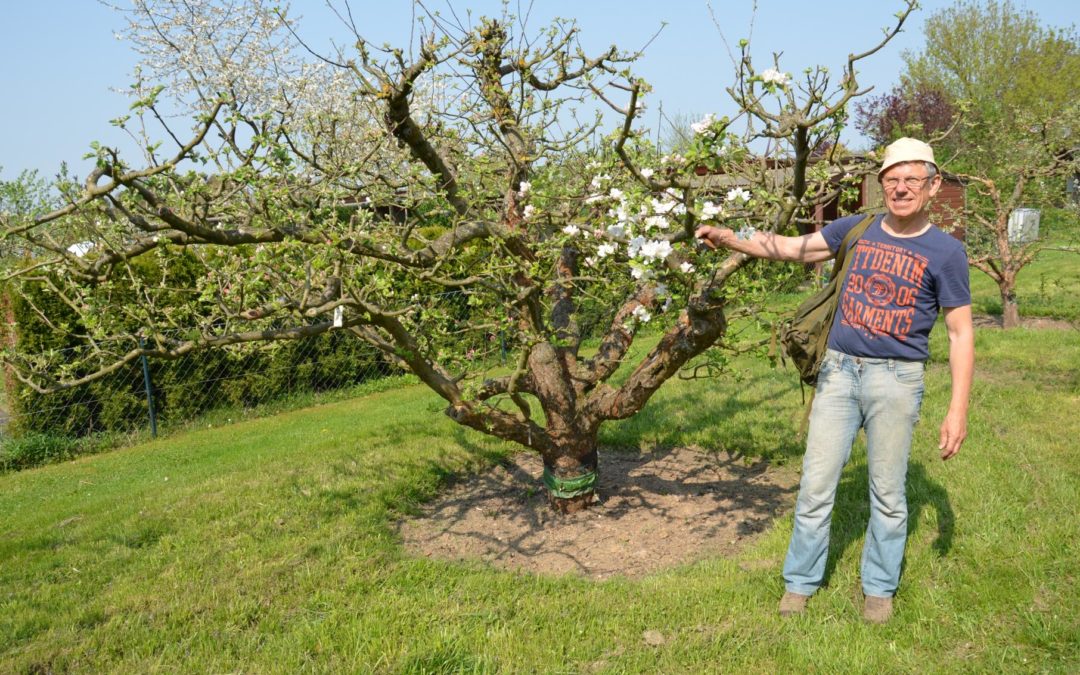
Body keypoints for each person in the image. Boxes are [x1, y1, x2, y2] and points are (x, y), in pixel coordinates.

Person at [695, 138, 974, 623]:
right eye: (892, 179)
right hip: (840, 372)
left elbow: (960, 332)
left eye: (912, 179)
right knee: (815, 485)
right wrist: (730, 236)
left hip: (897, 380)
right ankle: (799, 583)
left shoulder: (946, 252)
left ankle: (879, 589)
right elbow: (791, 248)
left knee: (887, 493)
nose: (900, 188)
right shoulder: (858, 228)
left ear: (932, 187)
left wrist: (957, 409)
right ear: (880, 184)